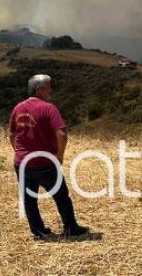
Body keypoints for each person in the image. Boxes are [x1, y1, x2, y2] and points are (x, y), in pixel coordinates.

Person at [9, 74, 89, 239]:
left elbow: (12, 134)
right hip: (44, 162)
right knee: (61, 196)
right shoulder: (48, 108)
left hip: (22, 163)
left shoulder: (18, 108)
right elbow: (62, 132)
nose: (51, 90)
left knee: (29, 198)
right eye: (49, 86)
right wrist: (59, 156)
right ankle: (70, 228)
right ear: (39, 89)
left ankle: (38, 231)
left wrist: (19, 153)